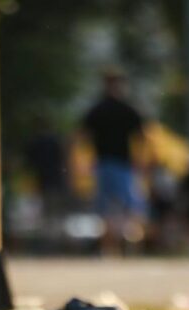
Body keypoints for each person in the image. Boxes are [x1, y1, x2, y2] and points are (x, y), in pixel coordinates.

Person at [80, 68, 147, 255]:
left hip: (118, 164)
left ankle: (124, 246)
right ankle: (113, 248)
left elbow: (141, 137)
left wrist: (140, 160)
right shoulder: (107, 109)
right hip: (109, 164)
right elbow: (83, 136)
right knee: (115, 208)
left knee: (123, 208)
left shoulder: (117, 109)